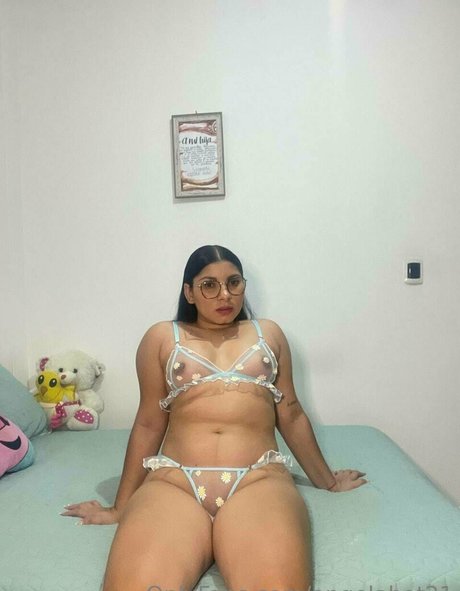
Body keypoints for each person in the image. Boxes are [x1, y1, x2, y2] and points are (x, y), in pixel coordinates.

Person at [62, 245, 367, 591]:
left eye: (233, 282)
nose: (225, 294)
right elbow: (148, 423)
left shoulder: (268, 334)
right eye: (209, 285)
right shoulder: (161, 338)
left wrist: (328, 481)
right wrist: (120, 508)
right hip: (175, 484)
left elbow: (292, 414)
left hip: (257, 481)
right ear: (189, 292)